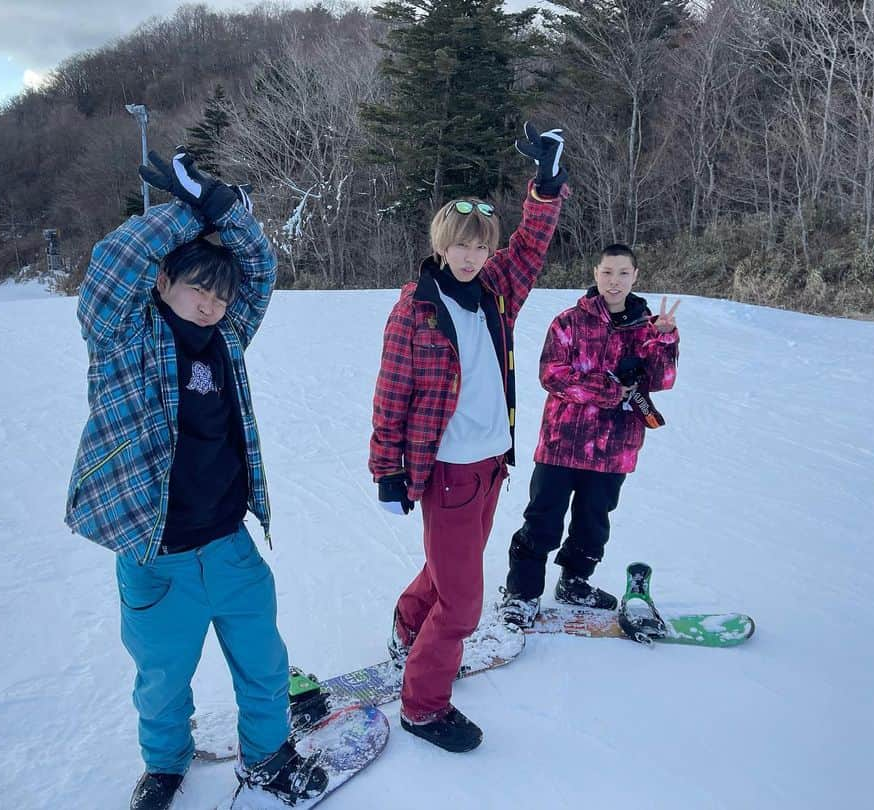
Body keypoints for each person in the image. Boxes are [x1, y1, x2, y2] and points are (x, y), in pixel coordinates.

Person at [64, 148, 326, 810]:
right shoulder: (123, 341)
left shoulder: (229, 337)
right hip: (156, 558)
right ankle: (164, 765)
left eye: (219, 291)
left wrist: (221, 207)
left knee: (264, 666)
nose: (211, 303)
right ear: (163, 284)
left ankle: (267, 755)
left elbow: (260, 268)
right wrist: (185, 213)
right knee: (162, 679)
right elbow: (111, 268)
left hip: (231, 547)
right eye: (196, 287)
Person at [370, 123, 569, 753]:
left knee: (449, 570)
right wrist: (388, 470)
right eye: (460, 245)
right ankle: (423, 707)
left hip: (490, 466)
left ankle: (407, 626)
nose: (470, 257)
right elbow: (391, 392)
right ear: (441, 244)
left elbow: (532, 244)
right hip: (448, 470)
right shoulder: (416, 307)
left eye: (480, 247)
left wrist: (547, 184)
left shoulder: (495, 291)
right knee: (462, 607)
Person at [497, 244, 680, 628]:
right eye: (608, 273)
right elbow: (553, 374)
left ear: (636, 276)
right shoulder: (568, 322)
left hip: (614, 449)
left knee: (593, 522)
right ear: (595, 273)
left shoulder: (648, 328)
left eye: (623, 273)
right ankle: (522, 594)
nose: (615, 282)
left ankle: (575, 581)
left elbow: (662, 381)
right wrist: (611, 389)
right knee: (542, 520)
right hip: (562, 444)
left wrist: (664, 339)